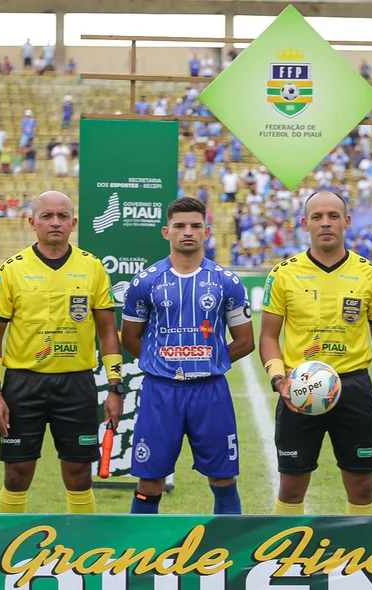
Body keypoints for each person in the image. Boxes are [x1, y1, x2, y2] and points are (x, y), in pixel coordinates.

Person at [0, 191, 124, 514]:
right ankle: (10, 546)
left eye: (62, 216)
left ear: (74, 223)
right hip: (22, 384)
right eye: (47, 216)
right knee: (18, 472)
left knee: (78, 474)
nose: (55, 222)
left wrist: (115, 386)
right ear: (32, 222)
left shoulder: (92, 267)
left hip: (77, 384)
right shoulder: (12, 269)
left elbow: (106, 332)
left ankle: (83, 550)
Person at [260, 190, 372, 516]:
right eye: (318, 217)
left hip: (354, 388)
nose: (326, 223)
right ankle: (286, 560)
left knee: (362, 486)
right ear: (305, 224)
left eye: (333, 216)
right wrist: (278, 379)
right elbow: (268, 336)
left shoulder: (370, 274)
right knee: (292, 486)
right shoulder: (283, 274)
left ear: (346, 222)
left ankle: (363, 561)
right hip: (299, 387)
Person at [121, 197, 255, 514]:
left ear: (206, 231)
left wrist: (208, 361)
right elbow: (130, 338)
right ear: (166, 232)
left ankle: (227, 556)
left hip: (210, 391)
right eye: (180, 226)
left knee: (223, 478)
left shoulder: (227, 282)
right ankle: (140, 559)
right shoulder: (145, 281)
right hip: (161, 391)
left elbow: (246, 341)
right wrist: (165, 364)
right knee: (149, 481)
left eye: (195, 225)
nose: (188, 232)